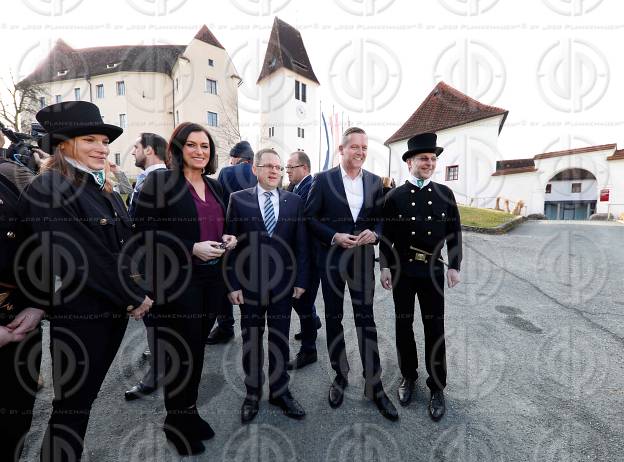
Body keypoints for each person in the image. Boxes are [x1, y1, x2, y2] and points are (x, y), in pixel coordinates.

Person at [18, 101, 153, 461]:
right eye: (90, 139)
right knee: (71, 408)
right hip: (81, 317)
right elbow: (80, 258)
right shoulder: (49, 188)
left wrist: (142, 285)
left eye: (105, 141)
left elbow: (125, 245)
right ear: (63, 144)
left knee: (83, 402)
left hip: (111, 312)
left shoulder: (100, 186)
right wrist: (133, 295)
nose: (102, 147)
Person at [132, 122, 236, 455]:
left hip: (212, 279)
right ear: (178, 148)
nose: (199, 152)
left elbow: (224, 224)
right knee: (182, 352)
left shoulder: (216, 186)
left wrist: (230, 238)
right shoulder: (159, 183)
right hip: (177, 281)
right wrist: (190, 247)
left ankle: (188, 412)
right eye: (192, 145)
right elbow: (143, 234)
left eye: (205, 146)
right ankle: (175, 421)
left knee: (197, 350)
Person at [306, 127, 398, 421]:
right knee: (333, 318)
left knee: (365, 320)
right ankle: (340, 374)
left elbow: (383, 220)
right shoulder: (322, 180)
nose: (360, 152)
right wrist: (333, 236)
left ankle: (375, 385)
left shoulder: (374, 182)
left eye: (364, 148)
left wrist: (377, 233)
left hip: (360, 261)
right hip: (331, 260)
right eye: (354, 147)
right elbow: (309, 218)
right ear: (341, 149)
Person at [379, 132, 462, 421]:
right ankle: (408, 376)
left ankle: (437, 386)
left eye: (433, 159)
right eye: (423, 159)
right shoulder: (394, 197)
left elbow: (454, 232)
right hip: (402, 270)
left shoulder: (444, 194)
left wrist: (455, 265)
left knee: (434, 328)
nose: (429, 163)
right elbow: (386, 237)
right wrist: (384, 267)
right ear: (410, 162)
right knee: (404, 326)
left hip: (432, 271)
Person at [224, 148, 308, 424]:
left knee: (280, 341)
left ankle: (280, 392)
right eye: (268, 166)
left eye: (279, 167)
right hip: (249, 287)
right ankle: (252, 393)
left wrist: (300, 281)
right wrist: (232, 284)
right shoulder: (238, 200)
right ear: (255, 169)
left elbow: (301, 246)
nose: (274, 171)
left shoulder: (294, 201)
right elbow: (229, 245)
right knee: (251, 341)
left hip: (283, 287)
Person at [0, 172, 45, 462]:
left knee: (15, 421)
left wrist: (37, 303)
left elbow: (34, 246)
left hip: (20, 323)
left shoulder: (4, 181)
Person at [124, 132, 169, 401]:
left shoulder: (162, 180)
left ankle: (158, 373)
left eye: (136, 148)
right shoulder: (149, 179)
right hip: (147, 265)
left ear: (149, 150)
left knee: (156, 320)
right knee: (155, 322)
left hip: (157, 267)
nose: (133, 153)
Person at [206, 140, 257, 346]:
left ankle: (226, 327)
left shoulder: (227, 172)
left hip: (230, 235)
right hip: (255, 238)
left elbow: (218, 202)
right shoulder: (257, 172)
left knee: (225, 280)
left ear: (236, 158)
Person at [284, 150, 322, 369]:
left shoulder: (312, 188)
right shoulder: (294, 187)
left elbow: (307, 222)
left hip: (309, 256)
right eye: (287, 168)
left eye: (291, 167)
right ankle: (313, 323)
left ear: (304, 168)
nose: (287, 171)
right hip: (295, 254)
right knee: (299, 300)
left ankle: (309, 351)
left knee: (303, 301)